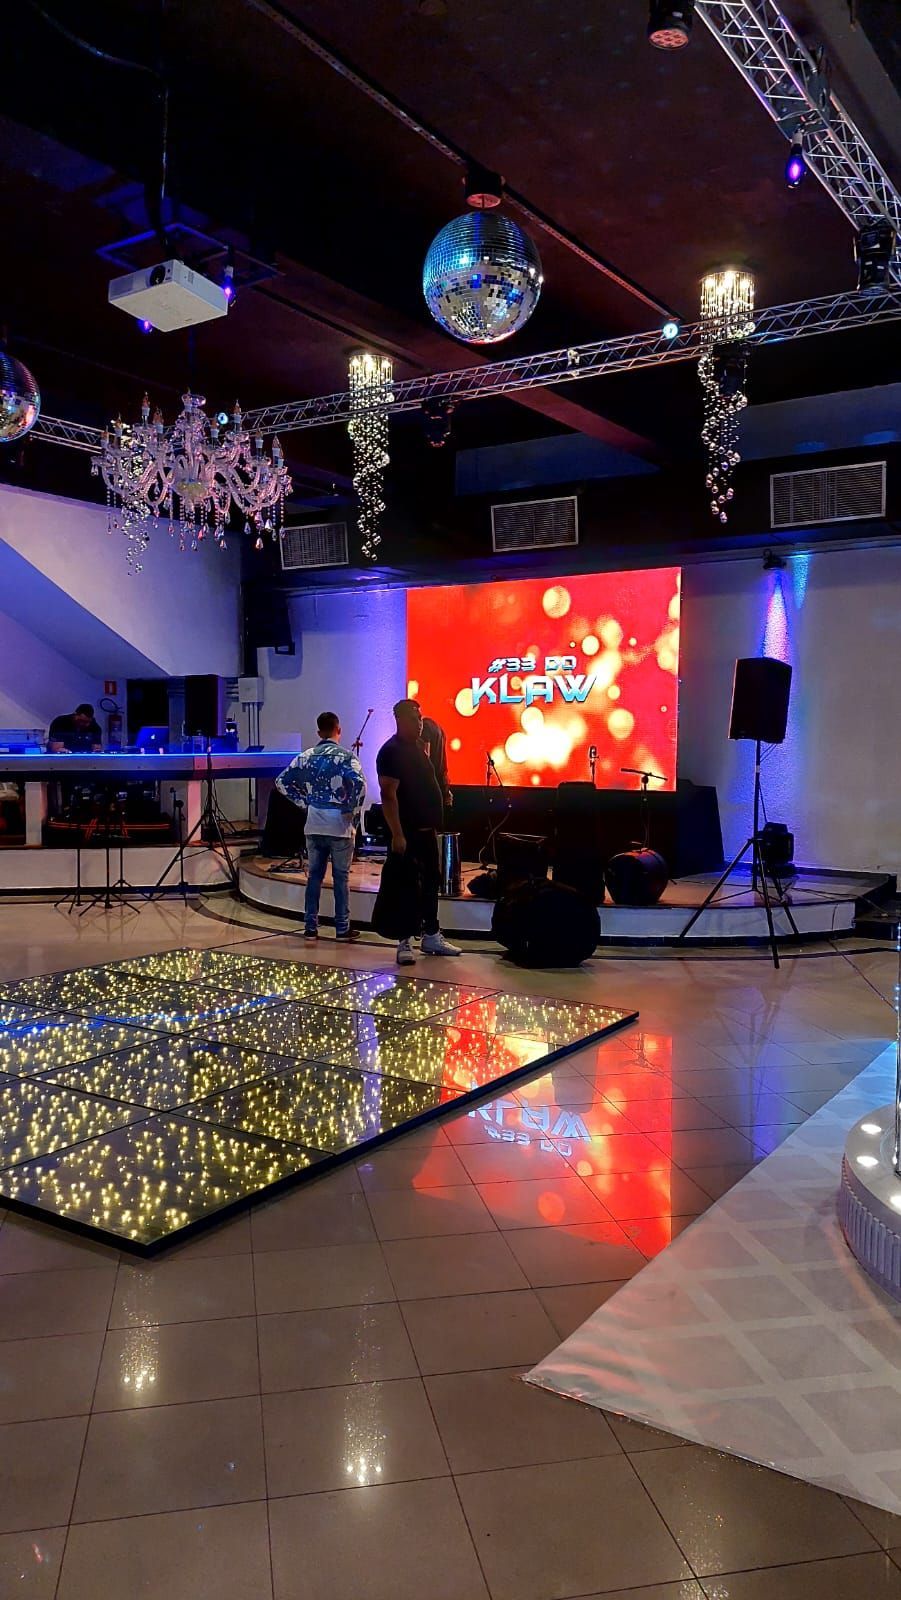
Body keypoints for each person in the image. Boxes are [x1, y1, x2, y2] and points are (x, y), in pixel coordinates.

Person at [377, 698, 461, 966]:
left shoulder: (419, 747)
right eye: (414, 719)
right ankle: (404, 940)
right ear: (400, 720)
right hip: (407, 832)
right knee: (406, 885)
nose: (420, 723)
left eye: (420, 718)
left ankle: (431, 934)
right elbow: (388, 795)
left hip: (426, 831)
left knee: (431, 881)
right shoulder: (391, 752)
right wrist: (397, 834)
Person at [276, 711, 367, 942]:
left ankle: (310, 927)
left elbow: (281, 782)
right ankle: (342, 928)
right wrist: (351, 808)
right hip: (339, 826)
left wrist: (303, 802)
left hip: (314, 822)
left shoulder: (306, 756)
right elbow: (360, 784)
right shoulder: (346, 757)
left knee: (314, 877)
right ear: (339, 730)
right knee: (341, 878)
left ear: (318, 732)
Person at [420, 714, 453, 811]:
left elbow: (425, 756)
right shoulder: (439, 730)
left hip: (430, 785)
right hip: (442, 782)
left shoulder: (425, 726)